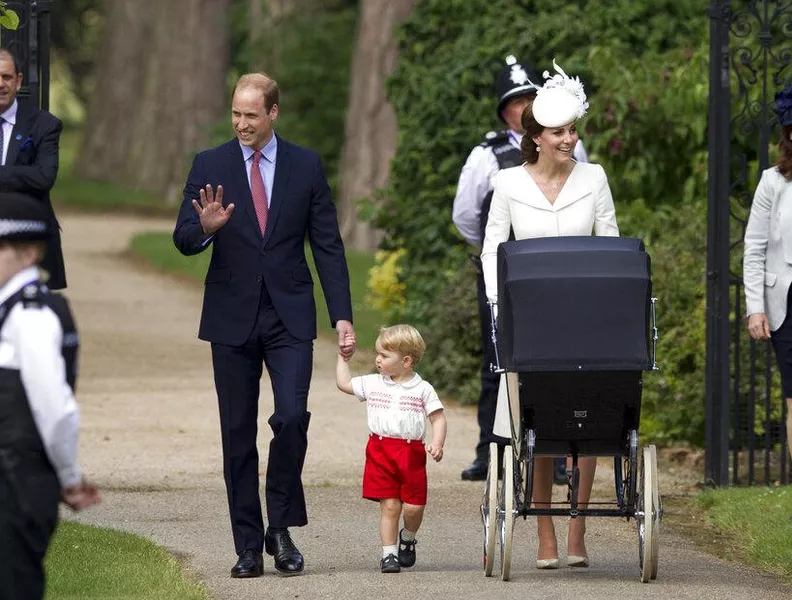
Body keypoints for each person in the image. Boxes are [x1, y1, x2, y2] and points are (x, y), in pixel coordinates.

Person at [173, 72, 356, 578]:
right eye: (236, 113)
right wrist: (205, 230)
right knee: (237, 434)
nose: (241, 124)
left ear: (273, 113)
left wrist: (342, 315)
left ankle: (281, 525)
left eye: (251, 115)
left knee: (292, 417)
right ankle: (249, 545)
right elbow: (183, 237)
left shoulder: (305, 165)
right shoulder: (210, 164)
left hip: (289, 313)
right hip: (231, 316)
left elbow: (328, 245)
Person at [481, 60, 619, 568]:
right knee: (536, 428)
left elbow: (611, 244)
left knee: (586, 425)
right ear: (535, 136)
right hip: (531, 320)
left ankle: (578, 529)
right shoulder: (508, 183)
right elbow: (494, 247)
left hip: (586, 320)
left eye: (573, 130)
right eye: (559, 132)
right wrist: (501, 305)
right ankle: (544, 532)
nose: (570, 139)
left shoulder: (595, 177)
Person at [453, 55, 586, 483]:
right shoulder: (487, 154)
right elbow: (466, 214)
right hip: (505, 270)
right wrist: (494, 254)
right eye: (517, 101)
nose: (525, 106)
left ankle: (559, 452)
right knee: (498, 359)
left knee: (561, 361)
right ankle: (491, 450)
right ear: (505, 109)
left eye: (532, 97)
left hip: (560, 269)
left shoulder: (569, 144)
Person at [0, 192, 100, 600]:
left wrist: (68, 477)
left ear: (28, 253)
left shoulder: (31, 316)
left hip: (16, 482)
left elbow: (54, 409)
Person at [335, 325, 447, 573]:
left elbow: (438, 418)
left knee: (414, 507)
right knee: (390, 505)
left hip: (411, 453)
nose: (378, 359)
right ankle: (389, 554)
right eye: (378, 353)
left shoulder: (422, 389)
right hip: (380, 450)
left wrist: (437, 443)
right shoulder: (374, 383)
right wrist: (343, 358)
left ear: (406, 361)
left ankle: (407, 537)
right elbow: (343, 383)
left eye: (385, 356)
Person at [743, 82, 792, 522]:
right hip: (789, 301)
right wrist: (755, 306)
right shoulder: (773, 182)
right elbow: (755, 248)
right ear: (791, 133)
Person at [0, 48, 67, 290]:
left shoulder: (44, 125)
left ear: (18, 81)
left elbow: (43, 177)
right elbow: (31, 175)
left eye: (6, 77)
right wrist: (18, 174)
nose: (0, 84)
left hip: (28, 237)